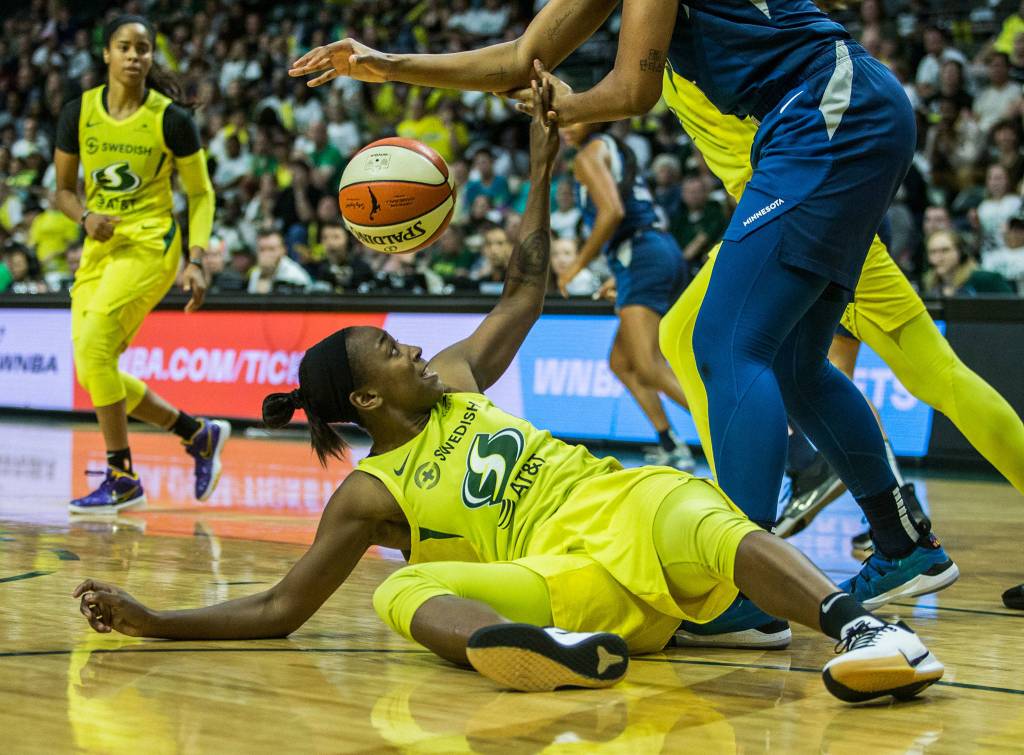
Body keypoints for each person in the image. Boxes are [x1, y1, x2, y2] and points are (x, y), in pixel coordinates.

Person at [73, 88, 945, 703]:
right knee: (395, 594)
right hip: (554, 580)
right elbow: (279, 606)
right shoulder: (371, 494)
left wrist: (541, 168)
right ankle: (535, 651)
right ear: (367, 401)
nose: (412, 345)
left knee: (690, 507)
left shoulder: (451, 379)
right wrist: (158, 620)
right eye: (388, 348)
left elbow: (524, 292)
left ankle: (864, 630)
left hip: (611, 505)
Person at [288, 0, 957, 641]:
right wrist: (384, 63)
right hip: (835, 118)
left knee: (721, 343)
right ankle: (903, 543)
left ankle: (741, 585)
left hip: (825, 112)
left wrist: (558, 112)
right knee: (792, 361)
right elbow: (523, 57)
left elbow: (634, 88)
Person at [658, 73, 1024, 605]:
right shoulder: (675, 44)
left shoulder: (695, 31)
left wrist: (557, 90)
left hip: (800, 212)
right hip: (780, 217)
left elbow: (629, 88)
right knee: (701, 340)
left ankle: (750, 529)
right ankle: (816, 502)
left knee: (938, 377)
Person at [53, 15, 230, 514]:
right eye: (125, 47)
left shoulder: (171, 119)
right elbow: (63, 191)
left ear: (152, 57)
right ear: (106, 55)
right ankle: (197, 434)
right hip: (99, 248)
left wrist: (196, 260)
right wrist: (84, 216)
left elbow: (200, 194)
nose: (135, 56)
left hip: (152, 246)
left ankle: (122, 475)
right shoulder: (78, 112)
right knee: (93, 370)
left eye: (144, 49)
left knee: (93, 349)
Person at [559, 121, 694, 471]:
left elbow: (614, 213)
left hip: (642, 254)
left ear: (595, 116)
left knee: (649, 367)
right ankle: (669, 442)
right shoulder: (611, 146)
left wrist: (577, 265)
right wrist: (619, 274)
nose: (565, 127)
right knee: (622, 363)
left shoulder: (588, 154)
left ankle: (732, 431)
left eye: (573, 117)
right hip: (654, 251)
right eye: (561, 120)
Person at [923, 229, 1015, 297]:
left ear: (961, 253)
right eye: (933, 252)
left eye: (945, 250)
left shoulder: (986, 280)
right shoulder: (928, 285)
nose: (938, 258)